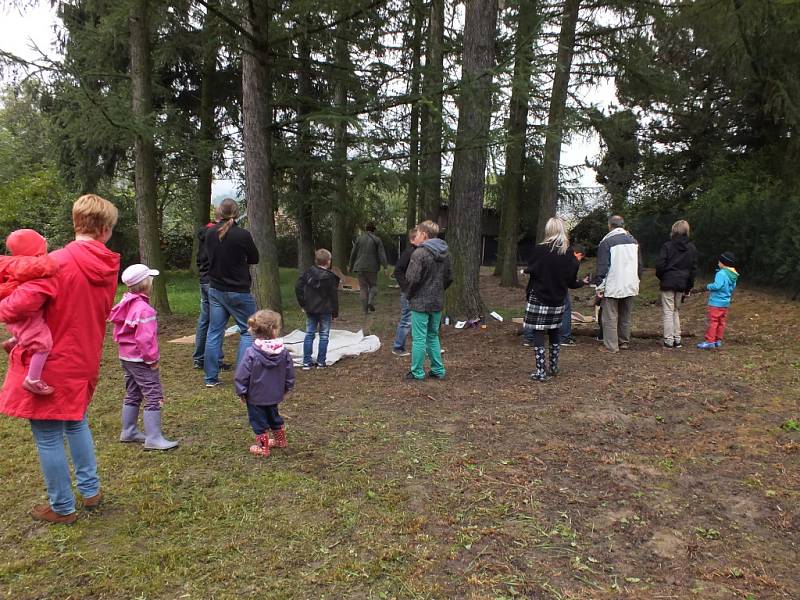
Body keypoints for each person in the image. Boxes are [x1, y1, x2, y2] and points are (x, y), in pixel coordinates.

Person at [0, 194, 120, 524]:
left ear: (76, 222)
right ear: (105, 229)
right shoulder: (108, 266)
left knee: (48, 435)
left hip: (50, 361)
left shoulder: (54, 263)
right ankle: (91, 490)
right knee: (76, 421)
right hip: (84, 356)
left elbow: (21, 305)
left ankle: (63, 506)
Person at [108, 264, 179, 451]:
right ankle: (153, 437)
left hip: (126, 357)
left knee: (133, 392)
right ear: (147, 284)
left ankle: (129, 430)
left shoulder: (126, 302)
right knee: (154, 395)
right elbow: (146, 339)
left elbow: (119, 329)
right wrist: (152, 359)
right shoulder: (145, 310)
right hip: (141, 360)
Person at [523, 218, 590, 381]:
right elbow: (571, 281)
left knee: (538, 330)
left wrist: (526, 270)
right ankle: (553, 367)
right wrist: (582, 282)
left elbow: (532, 269)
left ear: (548, 231)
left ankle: (541, 371)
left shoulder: (539, 250)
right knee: (554, 330)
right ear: (563, 231)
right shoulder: (569, 254)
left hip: (539, 296)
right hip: (558, 298)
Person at [203, 198, 259, 387]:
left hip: (216, 289)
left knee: (214, 332)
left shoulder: (210, 233)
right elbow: (254, 258)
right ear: (235, 213)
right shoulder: (242, 235)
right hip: (238, 291)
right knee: (247, 331)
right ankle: (243, 377)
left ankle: (210, 378)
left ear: (219, 212)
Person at [0, 229, 59, 395]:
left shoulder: (15, 264)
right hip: (23, 316)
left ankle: (14, 340)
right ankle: (32, 379)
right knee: (42, 343)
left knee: (26, 331)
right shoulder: (35, 267)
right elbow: (26, 301)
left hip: (16, 320)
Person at [234, 309, 296, 457]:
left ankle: (263, 447)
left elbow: (242, 374)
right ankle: (280, 441)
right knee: (274, 415)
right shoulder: (283, 351)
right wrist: (287, 387)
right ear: (274, 330)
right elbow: (289, 371)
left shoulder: (251, 352)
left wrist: (241, 391)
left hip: (255, 396)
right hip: (275, 393)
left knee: (258, 421)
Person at [404, 220, 452, 381]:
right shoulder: (446, 253)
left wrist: (409, 295)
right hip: (436, 302)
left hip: (420, 303)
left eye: (417, 234)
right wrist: (438, 291)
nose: (415, 237)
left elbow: (412, 279)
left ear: (424, 235)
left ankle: (417, 372)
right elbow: (449, 278)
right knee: (433, 336)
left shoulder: (419, 254)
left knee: (419, 338)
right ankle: (438, 369)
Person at [594, 215, 643, 353]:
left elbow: (602, 266)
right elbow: (639, 265)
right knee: (625, 315)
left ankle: (611, 346)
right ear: (622, 225)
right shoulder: (634, 241)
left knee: (610, 316)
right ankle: (624, 341)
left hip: (613, 284)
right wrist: (637, 280)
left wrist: (600, 286)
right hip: (630, 283)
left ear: (610, 225)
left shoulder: (606, 242)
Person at [192, 206, 228, 371]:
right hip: (214, 282)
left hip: (204, 280)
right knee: (217, 322)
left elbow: (200, 259)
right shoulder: (218, 234)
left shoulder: (205, 232)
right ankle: (216, 360)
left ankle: (199, 358)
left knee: (204, 320)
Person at [655, 220, 698, 348]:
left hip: (668, 281)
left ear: (674, 230)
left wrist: (662, 277)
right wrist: (689, 286)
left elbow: (660, 265)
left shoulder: (667, 246)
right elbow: (693, 269)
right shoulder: (691, 248)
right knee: (675, 310)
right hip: (682, 282)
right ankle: (677, 339)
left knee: (668, 311)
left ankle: (668, 340)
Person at [295, 248, 340, 370]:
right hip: (325, 310)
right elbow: (333, 297)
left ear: (316, 260)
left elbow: (298, 288)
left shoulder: (307, 273)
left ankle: (306, 362)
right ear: (329, 261)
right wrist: (335, 313)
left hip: (311, 308)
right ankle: (321, 362)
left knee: (309, 334)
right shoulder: (330, 278)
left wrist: (303, 304)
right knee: (324, 335)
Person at [697, 252, 739, 349]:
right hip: (725, 302)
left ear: (724, 263)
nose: (718, 263)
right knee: (721, 322)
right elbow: (733, 287)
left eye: (719, 261)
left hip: (716, 302)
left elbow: (717, 286)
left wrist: (708, 286)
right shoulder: (733, 274)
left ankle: (710, 341)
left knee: (713, 321)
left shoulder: (721, 273)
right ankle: (717, 340)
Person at [348, 222, 388, 314]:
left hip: (360, 267)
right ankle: (370, 302)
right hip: (372, 268)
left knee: (363, 288)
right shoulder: (377, 240)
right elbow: (382, 254)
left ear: (366, 229)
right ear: (374, 230)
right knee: (373, 286)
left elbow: (353, 253)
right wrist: (385, 267)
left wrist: (350, 265)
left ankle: (365, 310)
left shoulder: (359, 239)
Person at [391, 227, 418, 357]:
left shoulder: (420, 252)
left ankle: (425, 346)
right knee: (407, 319)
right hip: (408, 293)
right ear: (413, 238)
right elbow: (398, 270)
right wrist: (406, 287)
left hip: (417, 293)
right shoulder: (409, 252)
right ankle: (398, 347)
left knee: (417, 320)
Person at [558, 244, 587, 346]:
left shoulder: (560, 253)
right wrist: (582, 282)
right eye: (581, 257)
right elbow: (571, 283)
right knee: (566, 309)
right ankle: (564, 337)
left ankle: (529, 337)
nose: (580, 260)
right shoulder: (573, 261)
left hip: (545, 284)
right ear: (577, 253)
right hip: (560, 287)